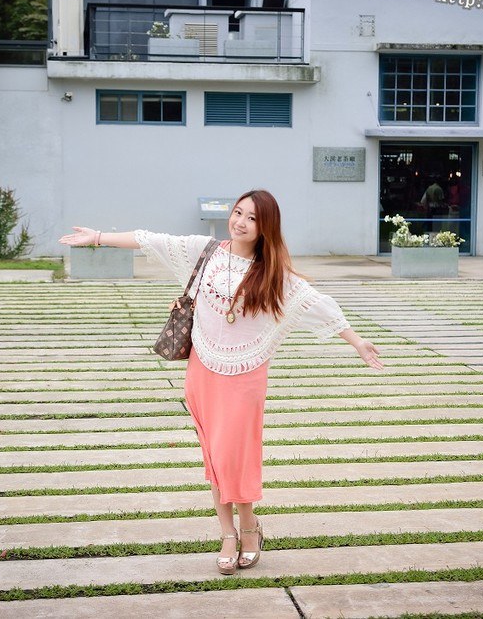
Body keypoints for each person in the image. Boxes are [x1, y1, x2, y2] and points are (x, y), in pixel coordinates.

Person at [58, 190, 384, 575]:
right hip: (203, 368)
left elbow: (316, 302)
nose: (240, 221)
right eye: (237, 212)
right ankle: (230, 533)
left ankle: (249, 529)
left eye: (251, 218)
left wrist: (357, 341)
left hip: (246, 373)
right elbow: (150, 239)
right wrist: (98, 237)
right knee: (215, 457)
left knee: (235, 457)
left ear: (265, 228)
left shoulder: (273, 273)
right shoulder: (205, 250)